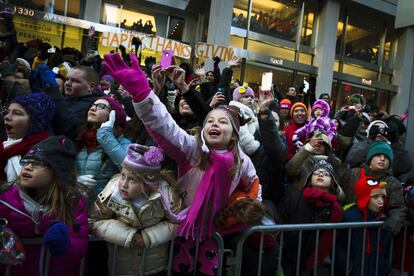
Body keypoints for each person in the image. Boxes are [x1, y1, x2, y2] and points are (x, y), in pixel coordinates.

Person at [103, 53, 261, 275]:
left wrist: (241, 209)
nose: (214, 124)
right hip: (182, 233)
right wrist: (142, 93)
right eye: (210, 121)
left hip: (216, 236)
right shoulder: (192, 149)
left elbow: (253, 187)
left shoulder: (243, 161)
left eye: (222, 122)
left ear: (234, 134)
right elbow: (164, 126)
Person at [89, 144, 182, 275]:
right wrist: (126, 235)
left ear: (147, 184)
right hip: (121, 268)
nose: (123, 184)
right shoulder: (112, 193)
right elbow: (93, 220)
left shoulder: (166, 196)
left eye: (132, 180)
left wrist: (148, 237)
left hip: (155, 268)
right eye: (122, 175)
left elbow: (179, 224)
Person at [0, 136, 88, 275]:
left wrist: (65, 245)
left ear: (57, 172)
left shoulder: (73, 203)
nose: (28, 167)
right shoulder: (5, 201)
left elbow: (80, 247)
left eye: (37, 163)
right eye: (26, 161)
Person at [276, 159, 343, 275]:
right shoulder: (294, 197)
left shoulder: (335, 209)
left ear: (332, 182)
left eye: (326, 174)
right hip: (289, 256)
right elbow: (280, 218)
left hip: (317, 263)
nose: (320, 174)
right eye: (316, 173)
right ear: (310, 179)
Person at [340, 141, 406, 236]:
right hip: (348, 227)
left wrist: (389, 229)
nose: (382, 159)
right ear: (370, 158)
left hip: (375, 232)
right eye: (378, 155)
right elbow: (339, 196)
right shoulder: (352, 174)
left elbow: (398, 208)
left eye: (386, 157)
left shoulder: (393, 183)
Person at [76, 96, 131, 202]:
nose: (92, 109)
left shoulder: (122, 142)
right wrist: (74, 181)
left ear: (113, 115)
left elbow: (128, 167)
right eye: (92, 106)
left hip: (105, 208)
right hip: (79, 207)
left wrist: (105, 133)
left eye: (101, 106)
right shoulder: (80, 138)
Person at [336, 173, 392, 276]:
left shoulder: (384, 220)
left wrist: (385, 268)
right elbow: (339, 247)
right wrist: (348, 268)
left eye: (382, 197)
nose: (381, 201)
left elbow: (388, 250)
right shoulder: (348, 217)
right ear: (364, 199)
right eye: (375, 197)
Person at [1, 92, 55, 183]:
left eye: (17, 113)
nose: (7, 117)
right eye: (8, 112)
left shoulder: (45, 152)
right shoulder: (3, 144)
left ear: (34, 121)